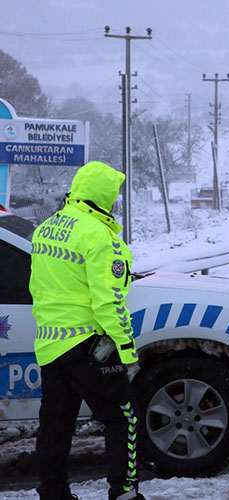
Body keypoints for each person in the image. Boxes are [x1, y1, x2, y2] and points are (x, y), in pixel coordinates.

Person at [29, 161, 145, 500]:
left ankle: (53, 493)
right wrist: (126, 350)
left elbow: (40, 288)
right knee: (124, 417)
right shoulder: (97, 235)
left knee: (56, 423)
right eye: (114, 197)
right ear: (104, 197)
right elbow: (108, 301)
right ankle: (124, 493)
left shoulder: (46, 228)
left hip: (51, 344)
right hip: (88, 344)